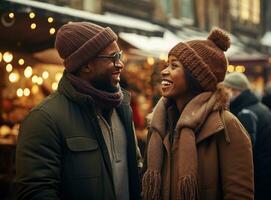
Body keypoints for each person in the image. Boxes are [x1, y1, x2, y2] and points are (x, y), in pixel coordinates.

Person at [16, 22, 142, 200]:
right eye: (113, 57)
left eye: (119, 56)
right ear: (86, 66)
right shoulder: (44, 118)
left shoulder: (122, 108)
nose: (120, 64)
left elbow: (135, 169)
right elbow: (36, 192)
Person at [141, 28, 254, 200]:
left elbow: (239, 194)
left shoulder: (226, 126)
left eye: (174, 66)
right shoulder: (159, 124)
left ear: (195, 77)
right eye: (167, 64)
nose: (164, 71)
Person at [223, 72, 271, 200]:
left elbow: (244, 154)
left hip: (258, 180)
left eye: (225, 90)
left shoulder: (246, 113)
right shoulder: (260, 108)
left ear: (233, 90)